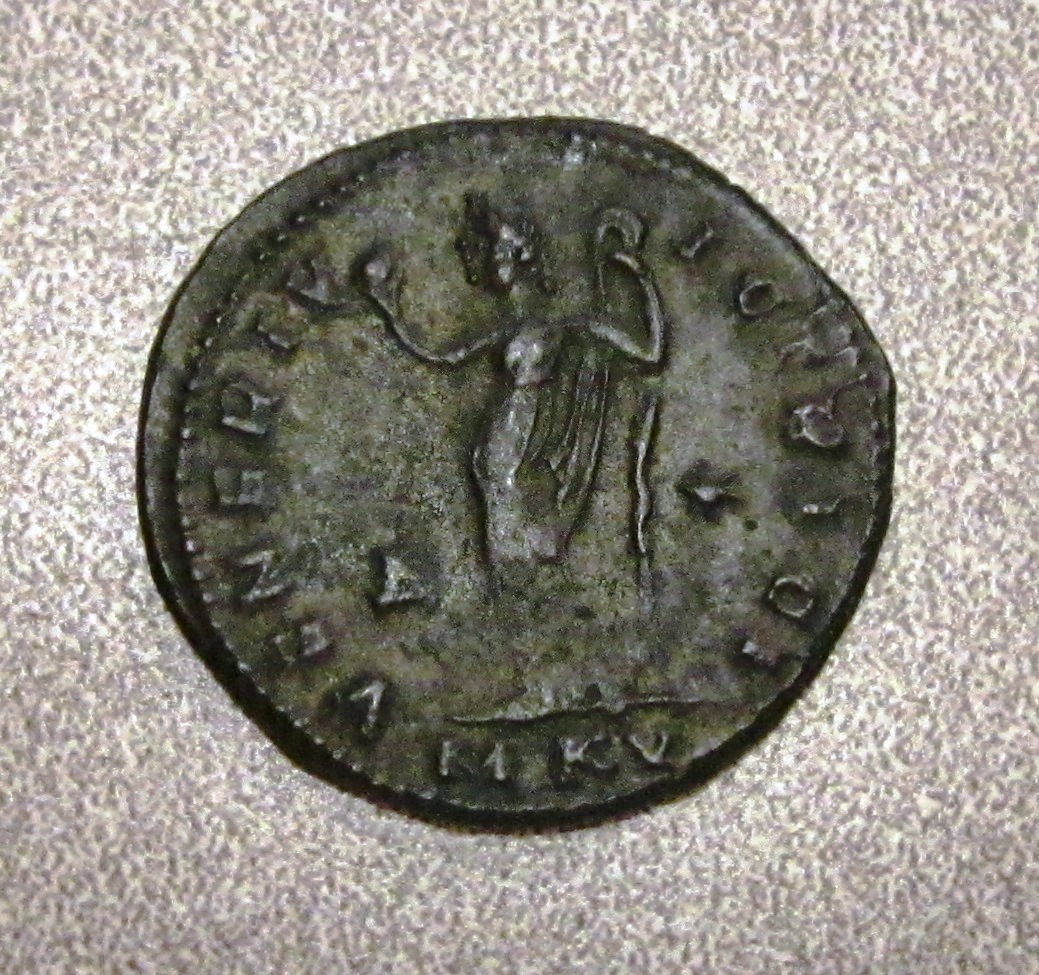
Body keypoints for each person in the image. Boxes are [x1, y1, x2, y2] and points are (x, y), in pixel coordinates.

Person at [362, 193, 667, 594]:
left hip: (533, 436)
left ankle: (520, 591)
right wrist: (390, 309)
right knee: (498, 494)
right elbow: (445, 356)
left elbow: (651, 353)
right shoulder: (507, 325)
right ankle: (503, 592)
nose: (495, 259)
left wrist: (642, 277)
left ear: (525, 254)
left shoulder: (572, 324)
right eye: (493, 252)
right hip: (504, 430)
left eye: (503, 250)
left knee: (520, 507)